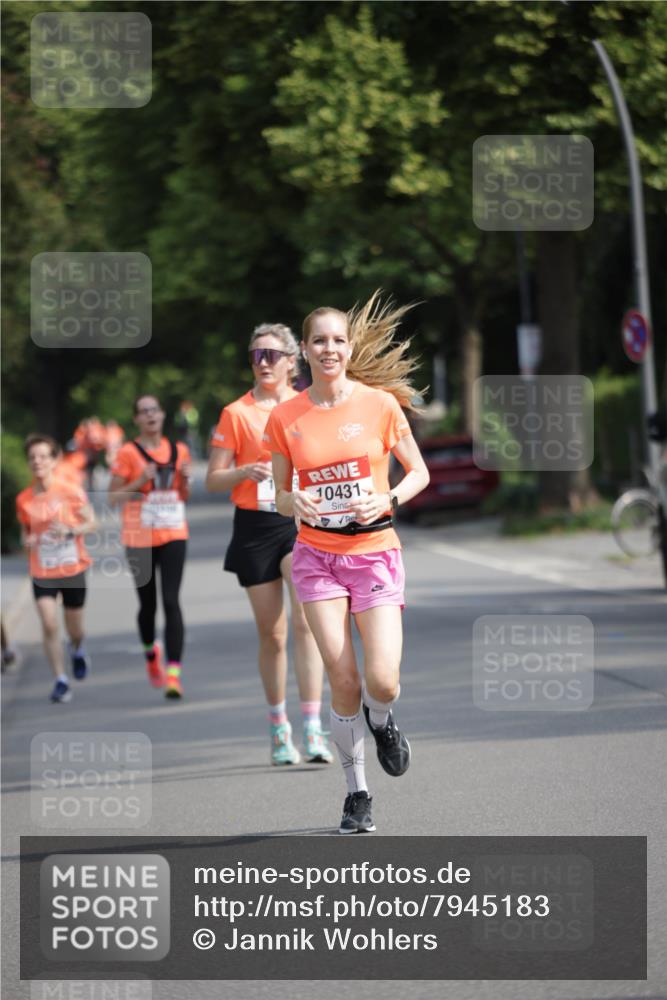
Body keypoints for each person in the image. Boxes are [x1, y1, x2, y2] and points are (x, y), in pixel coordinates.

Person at [266, 293, 430, 833]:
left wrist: (390, 499)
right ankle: (357, 794)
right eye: (319, 340)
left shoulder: (380, 404)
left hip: (375, 552)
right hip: (317, 557)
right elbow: (278, 493)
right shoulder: (286, 417)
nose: (329, 348)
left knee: (381, 681)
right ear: (304, 350)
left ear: (349, 346)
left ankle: (383, 722)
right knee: (343, 678)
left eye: (338, 339)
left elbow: (418, 473)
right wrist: (297, 501)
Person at [206, 323, 334, 767]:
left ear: (290, 361)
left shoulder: (307, 406)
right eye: (256, 354)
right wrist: (244, 472)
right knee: (273, 635)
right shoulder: (236, 413)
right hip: (254, 526)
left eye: (272, 355)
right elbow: (211, 478)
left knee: (306, 622)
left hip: (298, 523)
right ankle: (280, 727)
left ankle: (314, 727)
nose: (263, 362)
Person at [108, 396, 191, 699]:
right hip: (138, 537)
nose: (150, 416)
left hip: (173, 532)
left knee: (171, 601)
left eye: (154, 410)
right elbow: (113, 497)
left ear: (163, 414)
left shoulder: (179, 450)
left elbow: (182, 496)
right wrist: (140, 479)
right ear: (136, 420)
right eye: (143, 412)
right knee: (148, 605)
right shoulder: (128, 453)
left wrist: (185, 482)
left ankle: (174, 675)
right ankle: (149, 652)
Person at [15, 434, 96, 703]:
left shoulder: (70, 490)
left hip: (72, 565)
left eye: (43, 457)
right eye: (32, 458)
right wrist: (26, 541)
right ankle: (60, 680)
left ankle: (78, 647)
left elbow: (92, 523)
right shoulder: (24, 499)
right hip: (43, 568)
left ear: (55, 460)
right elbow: (24, 533)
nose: (37, 462)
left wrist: (71, 530)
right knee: (49, 623)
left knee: (74, 628)